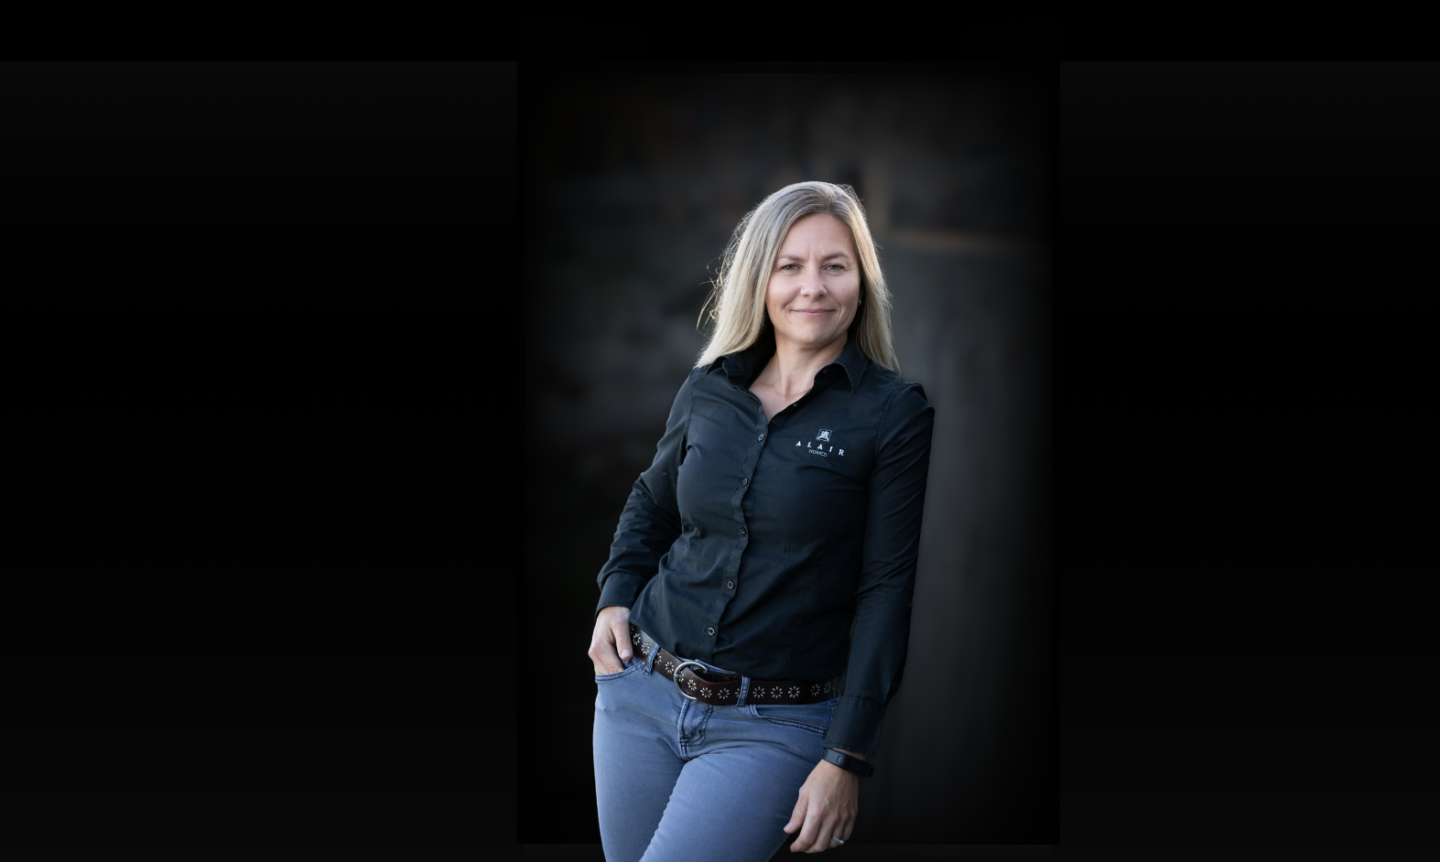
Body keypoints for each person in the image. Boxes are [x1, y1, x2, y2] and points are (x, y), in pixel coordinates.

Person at [590, 181, 934, 861]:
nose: (814, 287)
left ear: (862, 281)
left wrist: (848, 754)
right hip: (640, 693)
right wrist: (615, 594)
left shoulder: (893, 414)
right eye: (790, 265)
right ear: (760, 278)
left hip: (774, 724)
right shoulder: (708, 386)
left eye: (835, 265)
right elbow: (654, 502)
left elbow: (885, 590)